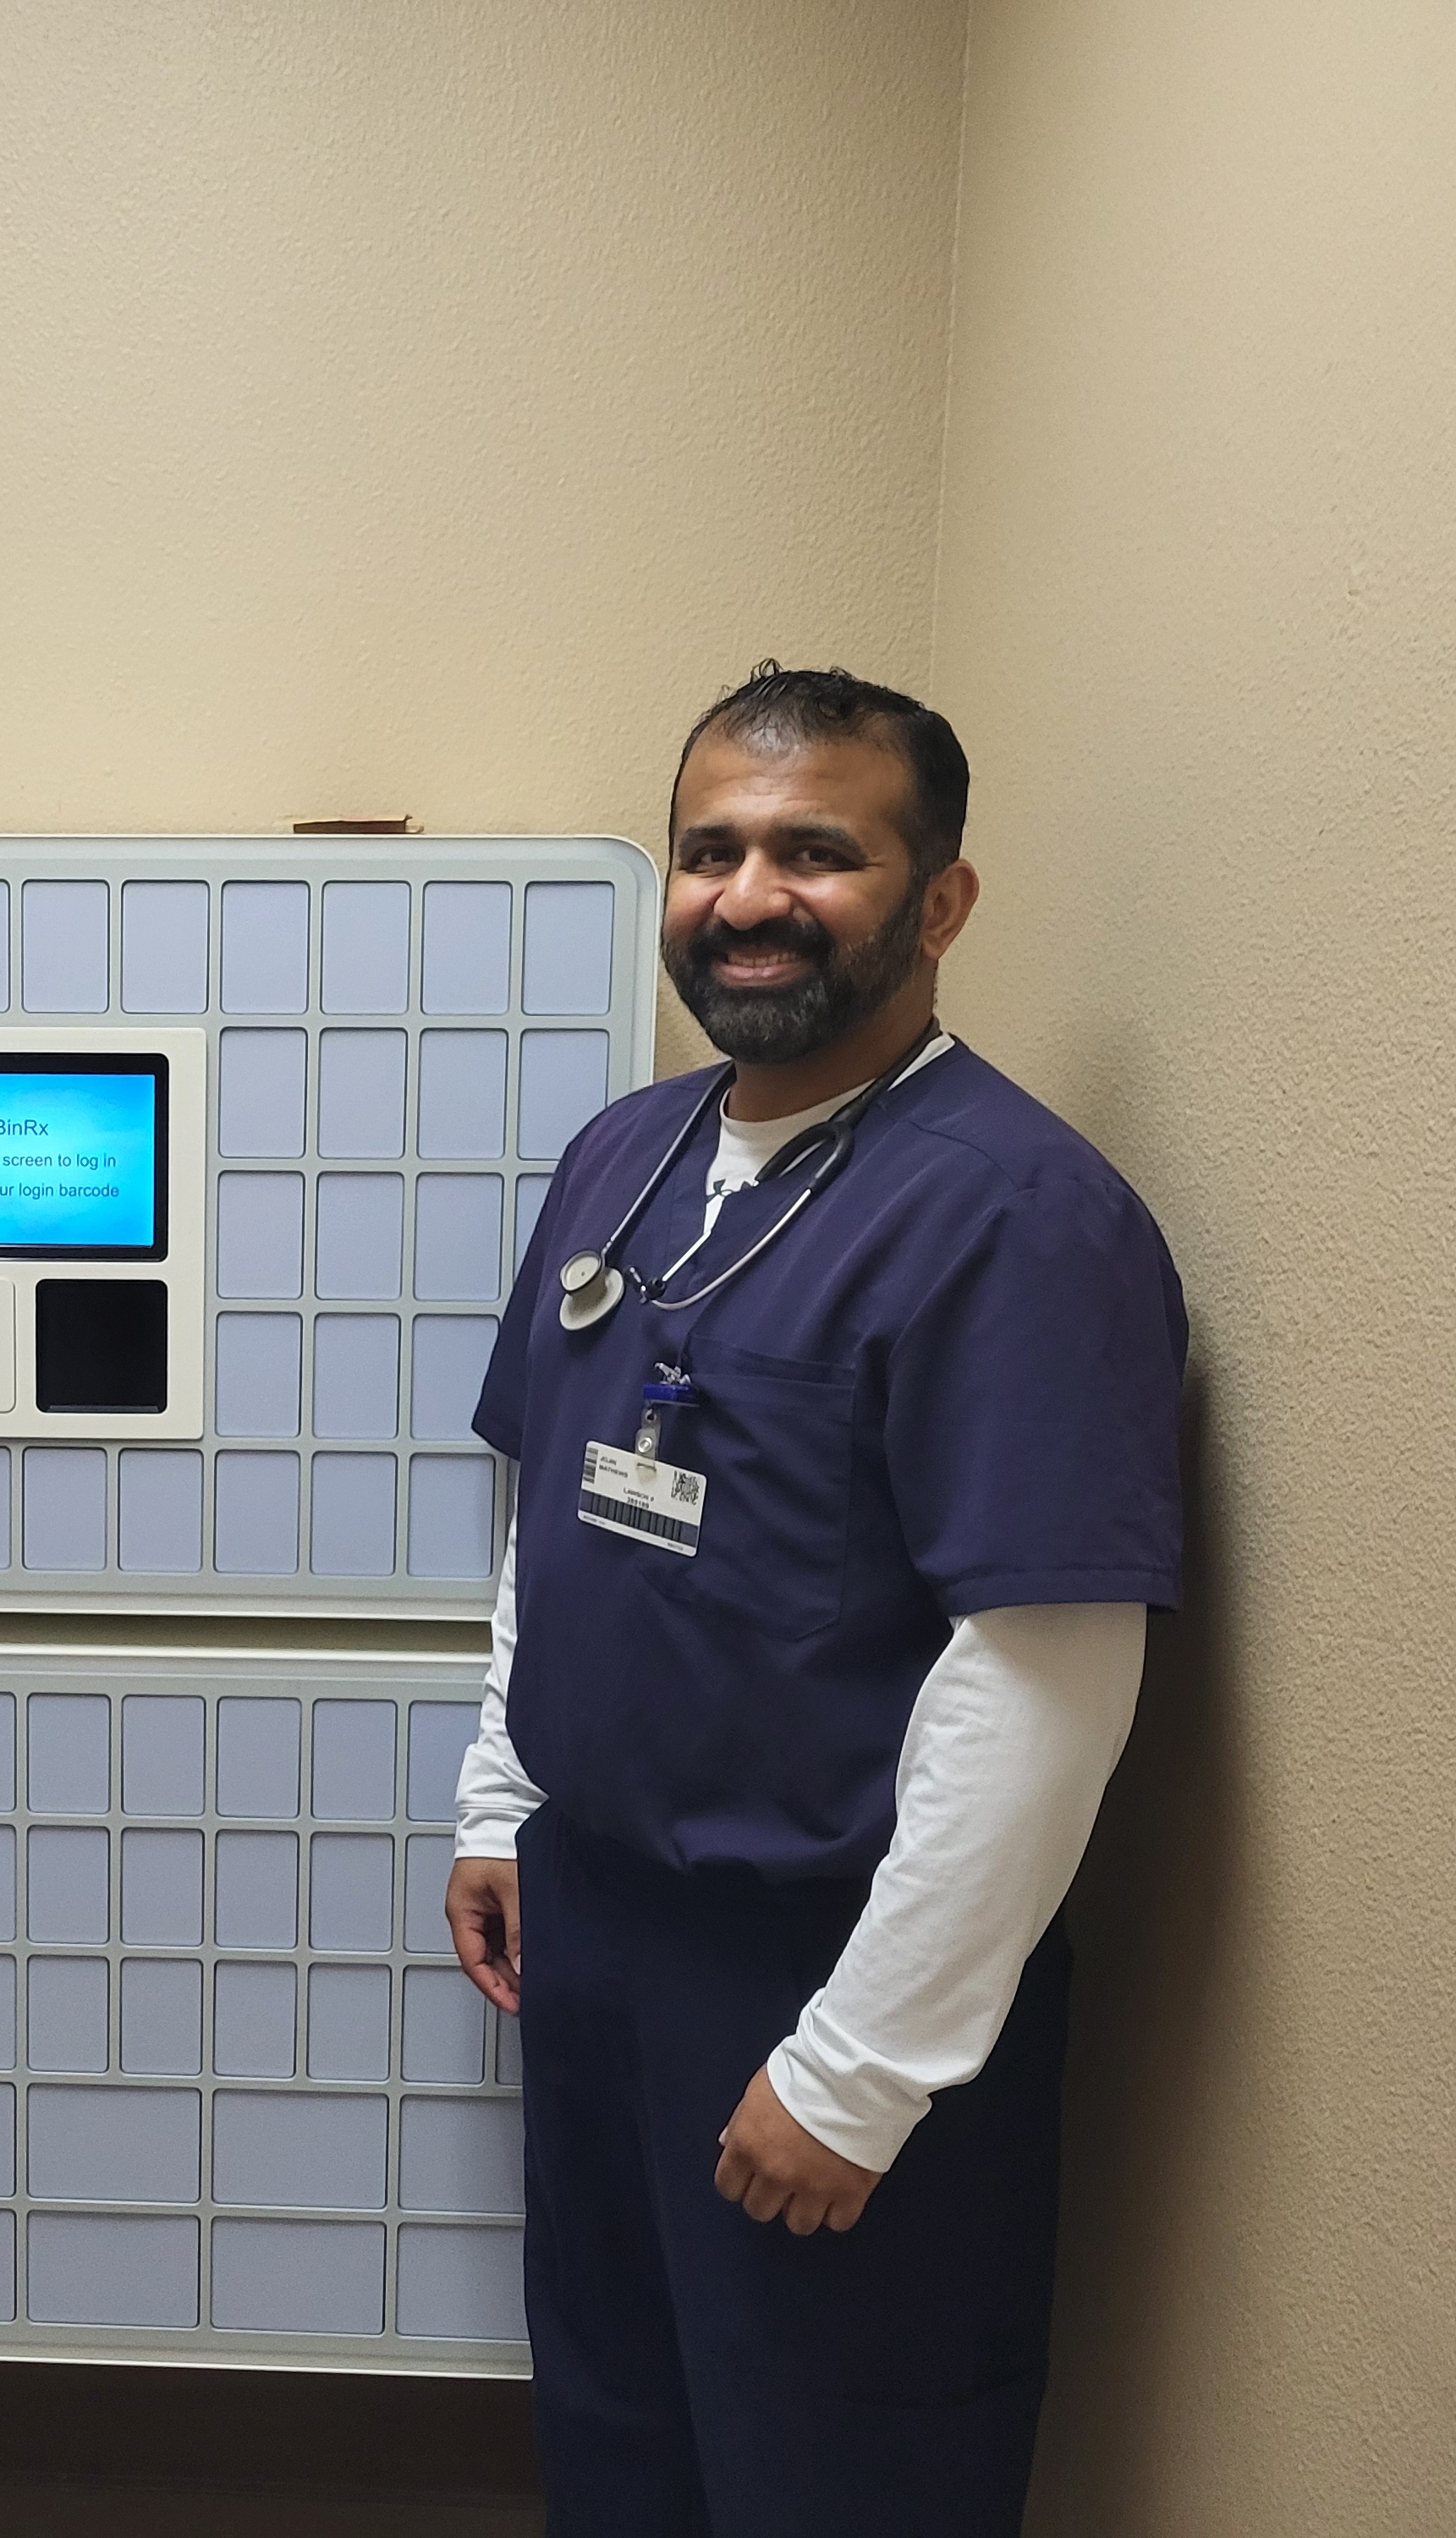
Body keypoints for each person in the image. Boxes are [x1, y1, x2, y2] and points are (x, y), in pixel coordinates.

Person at [443, 663, 1186, 2534]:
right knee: (619, 2435)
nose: (746, 894)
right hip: (601, 1928)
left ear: (934, 902)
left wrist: (859, 2071)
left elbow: (1042, 1684)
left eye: (815, 852)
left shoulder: (1020, 1219)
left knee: (832, 2470)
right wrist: (500, 1796)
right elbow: (550, 1504)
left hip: (829, 1966)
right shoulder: (626, 1158)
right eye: (709, 849)